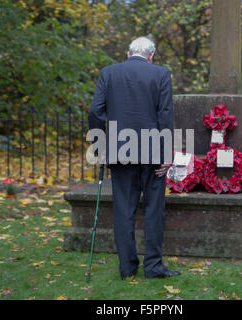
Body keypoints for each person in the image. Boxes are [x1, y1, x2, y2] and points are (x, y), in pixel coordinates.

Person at [88, 37, 180, 279]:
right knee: (153, 210)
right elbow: (165, 115)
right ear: (151, 56)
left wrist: (99, 147)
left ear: (128, 53)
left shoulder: (108, 73)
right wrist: (166, 154)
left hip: (120, 151)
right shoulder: (161, 74)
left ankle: (127, 268)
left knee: (123, 210)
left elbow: (95, 111)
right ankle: (153, 267)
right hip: (152, 152)